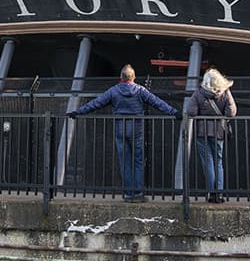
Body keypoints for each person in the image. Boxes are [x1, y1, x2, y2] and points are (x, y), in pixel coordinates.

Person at [68, 64, 181, 202]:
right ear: (133, 77)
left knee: (125, 162)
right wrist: (174, 112)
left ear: (120, 77)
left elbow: (96, 103)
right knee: (138, 162)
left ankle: (128, 194)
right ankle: (138, 193)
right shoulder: (140, 90)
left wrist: (77, 112)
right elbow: (157, 102)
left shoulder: (114, 91)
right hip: (137, 130)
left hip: (120, 130)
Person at [185, 67, 237, 203]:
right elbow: (231, 112)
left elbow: (191, 111)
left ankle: (211, 193)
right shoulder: (225, 92)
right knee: (218, 162)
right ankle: (219, 194)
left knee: (207, 163)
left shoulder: (199, 92)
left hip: (203, 132)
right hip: (219, 131)